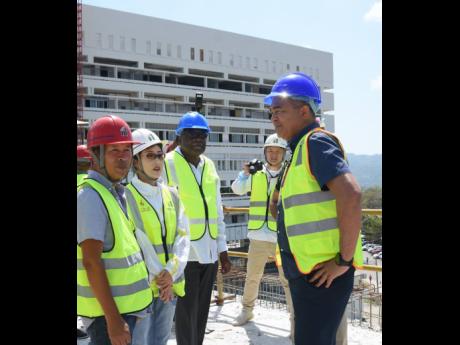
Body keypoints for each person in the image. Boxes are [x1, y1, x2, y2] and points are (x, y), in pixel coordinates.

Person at [265, 73, 363, 345]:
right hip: (307, 271)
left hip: (323, 274)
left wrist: (342, 261)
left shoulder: (315, 143)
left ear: (304, 110)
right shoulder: (297, 149)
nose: (273, 117)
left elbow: (351, 195)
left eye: (280, 110)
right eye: (271, 111)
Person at [77, 115, 153, 345]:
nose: (122, 159)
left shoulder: (115, 193)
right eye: (113, 151)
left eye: (126, 151)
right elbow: (91, 262)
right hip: (109, 318)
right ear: (96, 155)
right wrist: (114, 321)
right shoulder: (89, 197)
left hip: (129, 312)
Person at [163, 111, 232, 345]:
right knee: (185, 312)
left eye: (203, 135)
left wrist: (223, 250)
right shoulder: (167, 163)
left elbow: (217, 209)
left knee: (202, 310)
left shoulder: (209, 166)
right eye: (192, 134)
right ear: (180, 137)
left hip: (209, 251)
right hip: (185, 252)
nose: (198, 140)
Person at [126, 128, 190, 345]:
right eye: (149, 155)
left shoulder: (171, 194)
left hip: (169, 285)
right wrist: (161, 277)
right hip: (143, 289)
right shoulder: (126, 196)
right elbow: (138, 242)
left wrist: (170, 274)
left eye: (160, 155)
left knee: (160, 341)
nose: (157, 161)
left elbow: (183, 236)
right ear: (135, 161)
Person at [230, 134, 295, 335]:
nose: (273, 155)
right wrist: (245, 174)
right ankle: (247, 311)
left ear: (284, 154)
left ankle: (295, 320)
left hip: (280, 238)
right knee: (252, 277)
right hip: (258, 235)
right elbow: (237, 189)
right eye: (270, 151)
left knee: (287, 281)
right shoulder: (256, 174)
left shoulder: (289, 175)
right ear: (265, 152)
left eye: (277, 151)